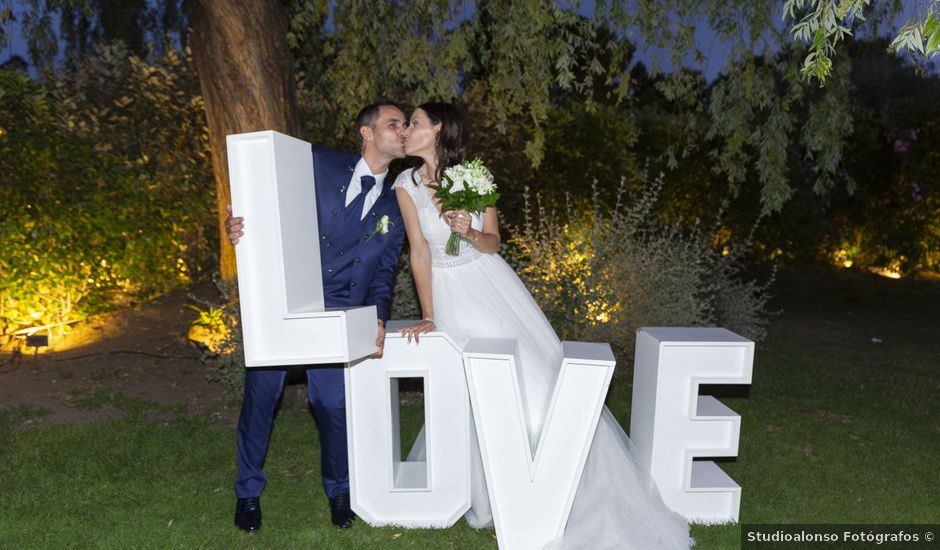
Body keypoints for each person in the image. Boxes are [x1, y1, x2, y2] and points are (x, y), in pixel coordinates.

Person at [395, 102, 692, 549]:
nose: (407, 130)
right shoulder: (406, 185)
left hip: (492, 289)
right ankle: (495, 496)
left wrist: (468, 230)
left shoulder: (475, 176)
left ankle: (560, 483)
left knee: (536, 384)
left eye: (414, 123)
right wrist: (430, 313)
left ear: (438, 130)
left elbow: (493, 242)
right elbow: (419, 251)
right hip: (451, 298)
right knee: (475, 395)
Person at [225, 101, 407, 532]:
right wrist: (236, 223)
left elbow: (384, 274)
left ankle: (340, 491)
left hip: (341, 309)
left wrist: (378, 317)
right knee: (261, 398)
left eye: (404, 126)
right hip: (286, 297)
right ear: (366, 133)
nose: (402, 131)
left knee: (330, 402)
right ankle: (248, 493)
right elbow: (263, 192)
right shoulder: (318, 162)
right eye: (393, 124)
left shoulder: (398, 207)